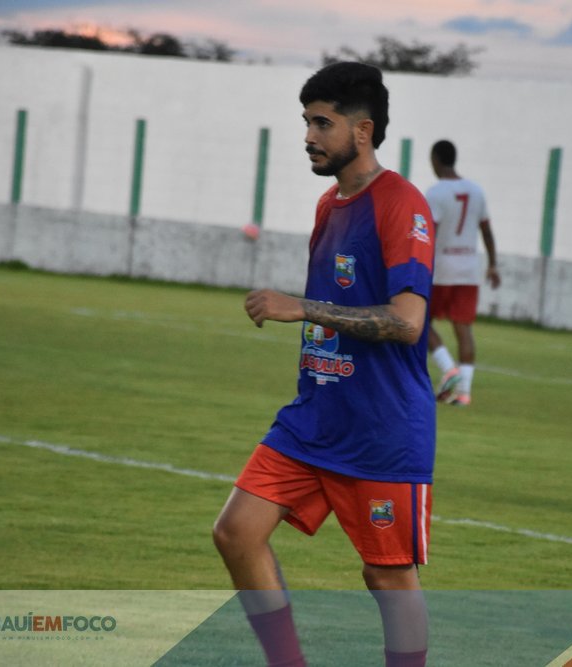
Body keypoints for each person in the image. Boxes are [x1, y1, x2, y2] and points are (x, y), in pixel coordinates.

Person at [212, 62, 435, 667]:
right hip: (314, 417)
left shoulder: (401, 204)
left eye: (322, 123)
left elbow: (407, 321)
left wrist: (302, 308)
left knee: (385, 575)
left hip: (380, 428)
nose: (308, 136)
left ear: (362, 131)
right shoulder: (329, 205)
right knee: (236, 532)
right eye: (306, 122)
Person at [424, 140, 500, 406]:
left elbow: (429, 233)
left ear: (436, 159)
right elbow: (486, 230)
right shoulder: (476, 191)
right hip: (468, 269)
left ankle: (448, 369)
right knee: (464, 329)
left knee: (420, 321)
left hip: (441, 269)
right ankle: (464, 393)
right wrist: (493, 264)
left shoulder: (435, 193)